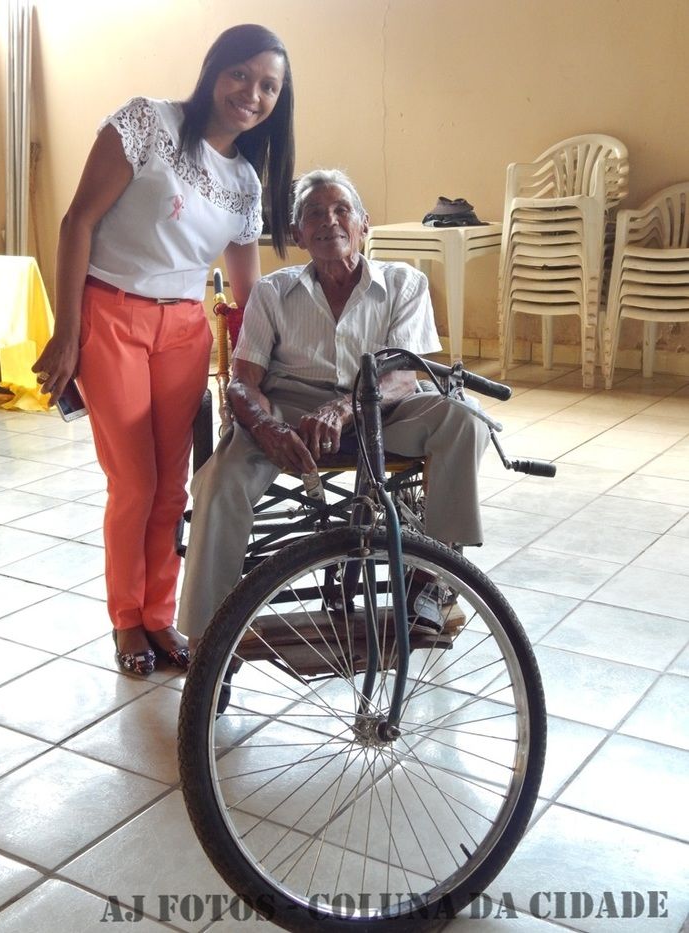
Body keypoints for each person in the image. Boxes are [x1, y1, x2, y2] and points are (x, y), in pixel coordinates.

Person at [32, 24, 295, 675]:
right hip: (109, 314)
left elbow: (246, 291)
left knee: (174, 487)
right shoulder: (147, 123)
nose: (251, 93)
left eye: (268, 86)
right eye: (242, 74)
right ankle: (127, 620)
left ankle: (159, 616)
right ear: (215, 70)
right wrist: (67, 332)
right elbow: (77, 222)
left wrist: (260, 368)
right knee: (136, 480)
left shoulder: (243, 183)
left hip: (182, 332)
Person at [178, 168, 490, 648]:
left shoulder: (404, 282)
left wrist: (345, 408)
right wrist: (264, 426)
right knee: (218, 484)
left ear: (364, 224)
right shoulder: (272, 291)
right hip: (288, 411)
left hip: (384, 409)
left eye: (342, 210)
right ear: (299, 235)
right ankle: (210, 640)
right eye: (314, 215)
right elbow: (243, 383)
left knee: (462, 421)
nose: (330, 222)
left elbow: (404, 375)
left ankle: (435, 576)